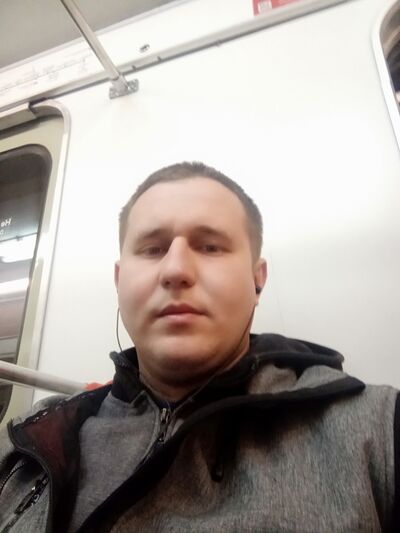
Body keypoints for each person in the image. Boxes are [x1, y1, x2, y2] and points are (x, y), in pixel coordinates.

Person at [0, 161, 398, 532]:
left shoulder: (376, 430)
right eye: (153, 249)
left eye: (210, 247)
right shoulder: (34, 436)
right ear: (119, 281)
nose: (175, 270)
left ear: (257, 279)